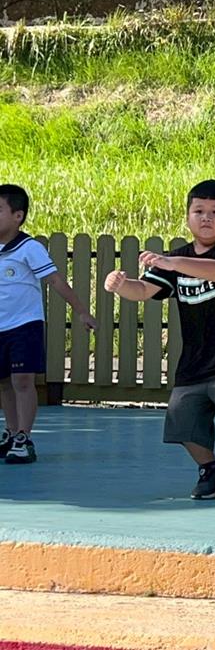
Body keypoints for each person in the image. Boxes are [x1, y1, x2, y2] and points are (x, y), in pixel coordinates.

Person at [104, 180, 215, 500]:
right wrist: (121, 285)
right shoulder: (176, 258)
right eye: (199, 211)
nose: (206, 217)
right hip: (196, 358)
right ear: (188, 217)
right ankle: (211, 469)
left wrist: (172, 263)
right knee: (181, 416)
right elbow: (144, 290)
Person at [0, 184, 96, 464]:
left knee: (22, 380)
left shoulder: (29, 248)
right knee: (4, 382)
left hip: (24, 325)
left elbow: (55, 281)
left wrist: (81, 311)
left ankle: (24, 437)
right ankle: (10, 433)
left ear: (18, 216)